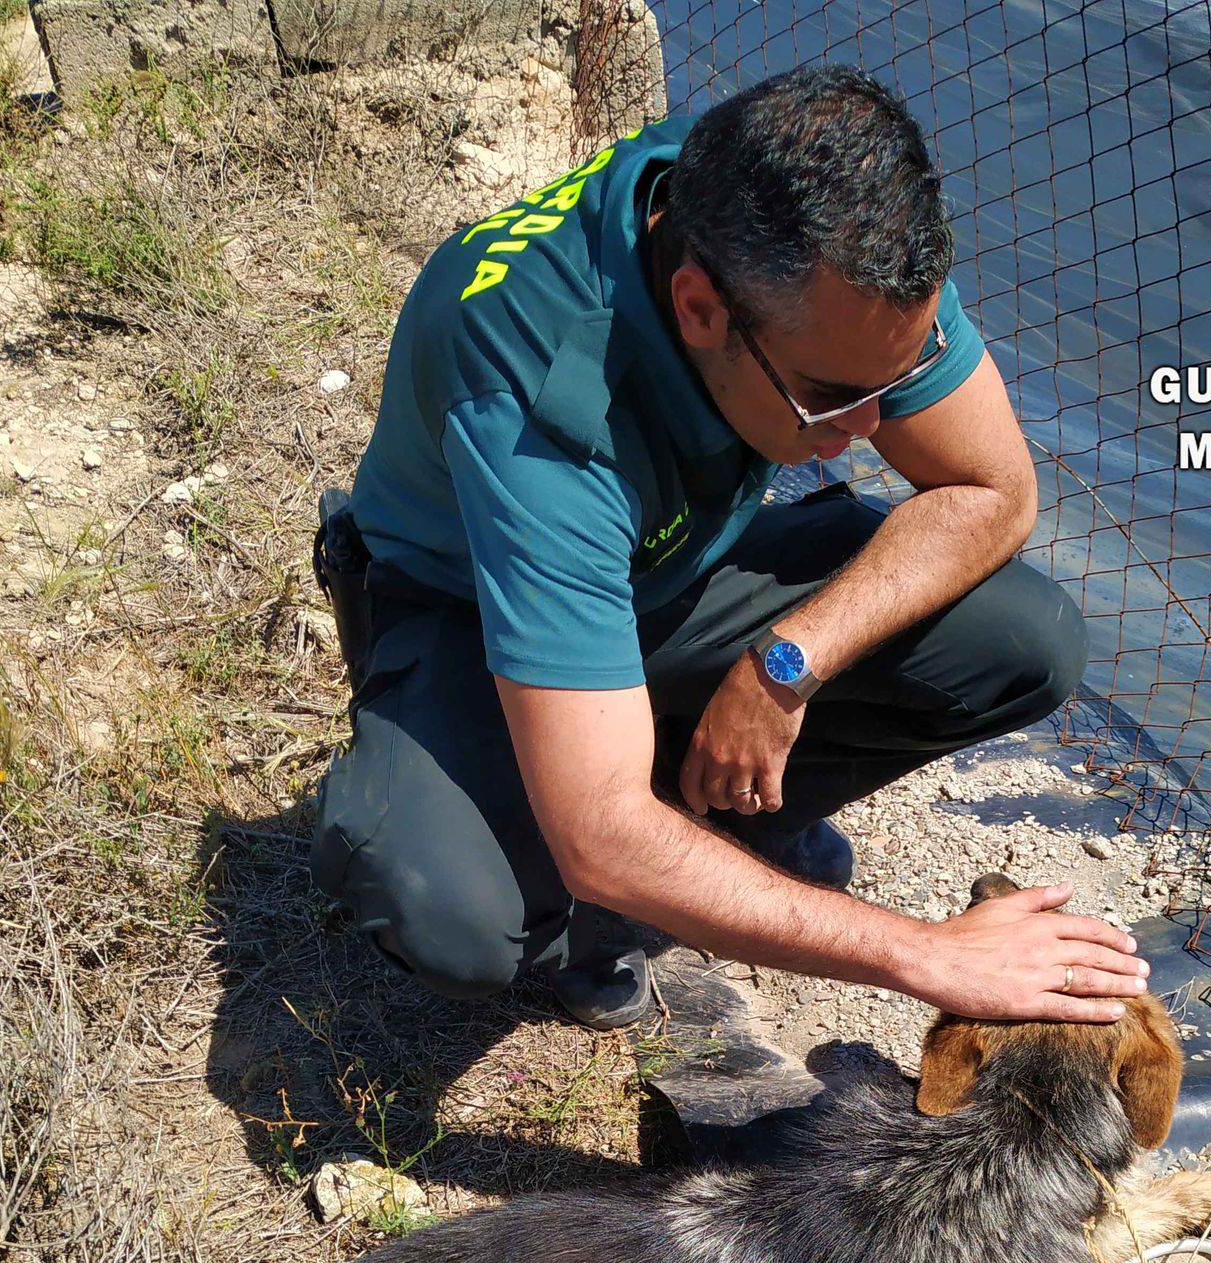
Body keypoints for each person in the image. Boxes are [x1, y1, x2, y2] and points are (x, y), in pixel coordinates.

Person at [311, 64, 1149, 1030]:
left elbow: (994, 491)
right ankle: (601, 908)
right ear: (700, 309)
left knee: (1025, 641)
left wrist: (786, 663)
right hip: (472, 610)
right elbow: (600, 834)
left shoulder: (823, 235)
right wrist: (926, 955)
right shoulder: (542, 398)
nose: (870, 425)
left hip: (666, 565)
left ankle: (718, 834)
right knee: (448, 906)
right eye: (830, 398)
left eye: (898, 374)